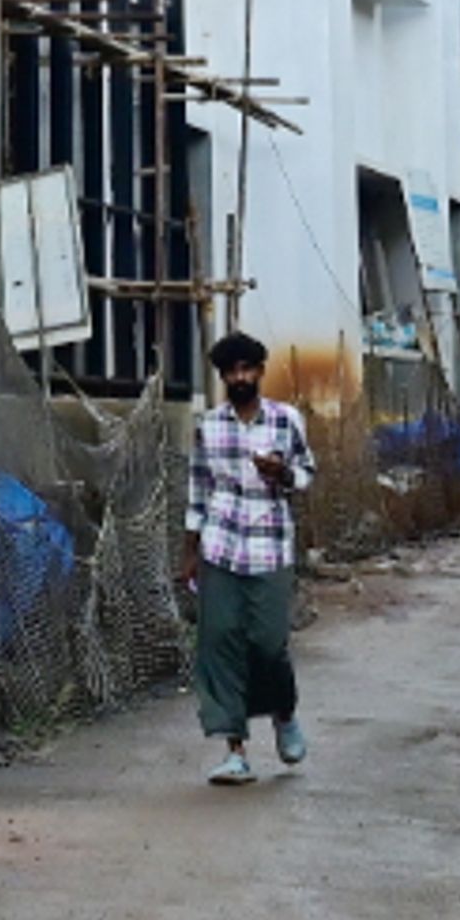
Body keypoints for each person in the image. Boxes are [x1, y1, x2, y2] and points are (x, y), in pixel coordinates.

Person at [180, 329, 318, 788]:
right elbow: (198, 488)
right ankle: (234, 749)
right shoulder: (209, 426)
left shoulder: (284, 420)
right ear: (223, 377)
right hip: (220, 542)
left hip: (269, 544)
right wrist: (190, 551)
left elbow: (307, 474)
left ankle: (284, 714)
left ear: (260, 372)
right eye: (231, 371)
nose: (240, 378)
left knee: (267, 643)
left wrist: (282, 473)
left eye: (247, 369)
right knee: (219, 641)